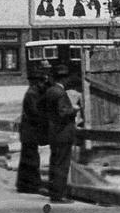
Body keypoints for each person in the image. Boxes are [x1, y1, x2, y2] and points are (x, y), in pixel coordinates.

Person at [42, 64, 77, 203]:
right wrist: (74, 109)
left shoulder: (50, 91)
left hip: (53, 132)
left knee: (54, 162)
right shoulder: (60, 93)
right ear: (64, 79)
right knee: (62, 164)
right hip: (63, 133)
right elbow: (63, 112)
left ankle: (53, 192)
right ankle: (59, 195)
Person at [15, 70, 48, 194]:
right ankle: (33, 185)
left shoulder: (33, 92)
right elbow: (35, 113)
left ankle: (23, 185)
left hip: (28, 131)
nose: (42, 84)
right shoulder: (32, 94)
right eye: (40, 81)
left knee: (27, 158)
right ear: (35, 82)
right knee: (32, 159)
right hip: (30, 131)